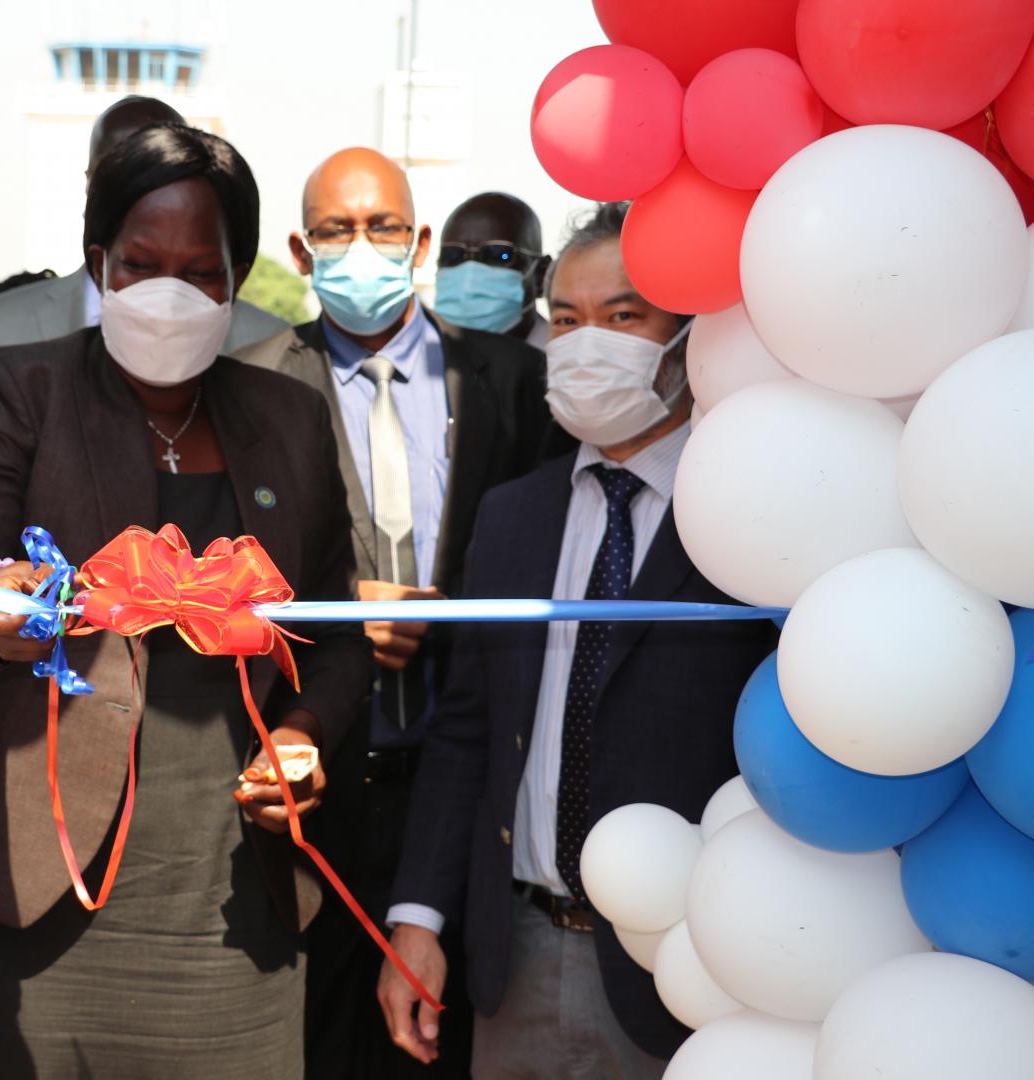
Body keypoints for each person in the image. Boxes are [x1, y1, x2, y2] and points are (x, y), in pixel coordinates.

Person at [0, 124, 373, 1080]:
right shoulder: (17, 388)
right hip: (12, 896)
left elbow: (335, 628)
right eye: (142, 264)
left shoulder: (289, 417)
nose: (169, 294)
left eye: (201, 272)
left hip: (224, 921)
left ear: (238, 282)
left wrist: (307, 728)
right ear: (97, 262)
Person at [377, 202, 778, 1078]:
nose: (587, 342)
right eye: (566, 320)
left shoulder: (753, 513)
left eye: (623, 317)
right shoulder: (514, 513)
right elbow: (467, 730)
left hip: (690, 967)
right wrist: (419, 916)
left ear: (687, 337)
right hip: (513, 954)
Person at [237, 147, 566, 1079]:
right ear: (301, 254)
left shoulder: (512, 381)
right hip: (316, 780)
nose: (362, 248)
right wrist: (341, 613)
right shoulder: (250, 382)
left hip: (467, 778)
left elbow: (548, 550)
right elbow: (223, 575)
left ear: (420, 241)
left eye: (383, 228)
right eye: (336, 231)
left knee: (446, 1041)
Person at [0, 96, 287, 354]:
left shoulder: (270, 344)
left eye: (159, 173)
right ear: (90, 183)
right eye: (116, 175)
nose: (136, 191)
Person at [432, 192, 551, 350]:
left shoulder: (568, 365)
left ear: (541, 275)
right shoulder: (420, 360)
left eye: (498, 254)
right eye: (452, 255)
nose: (470, 275)